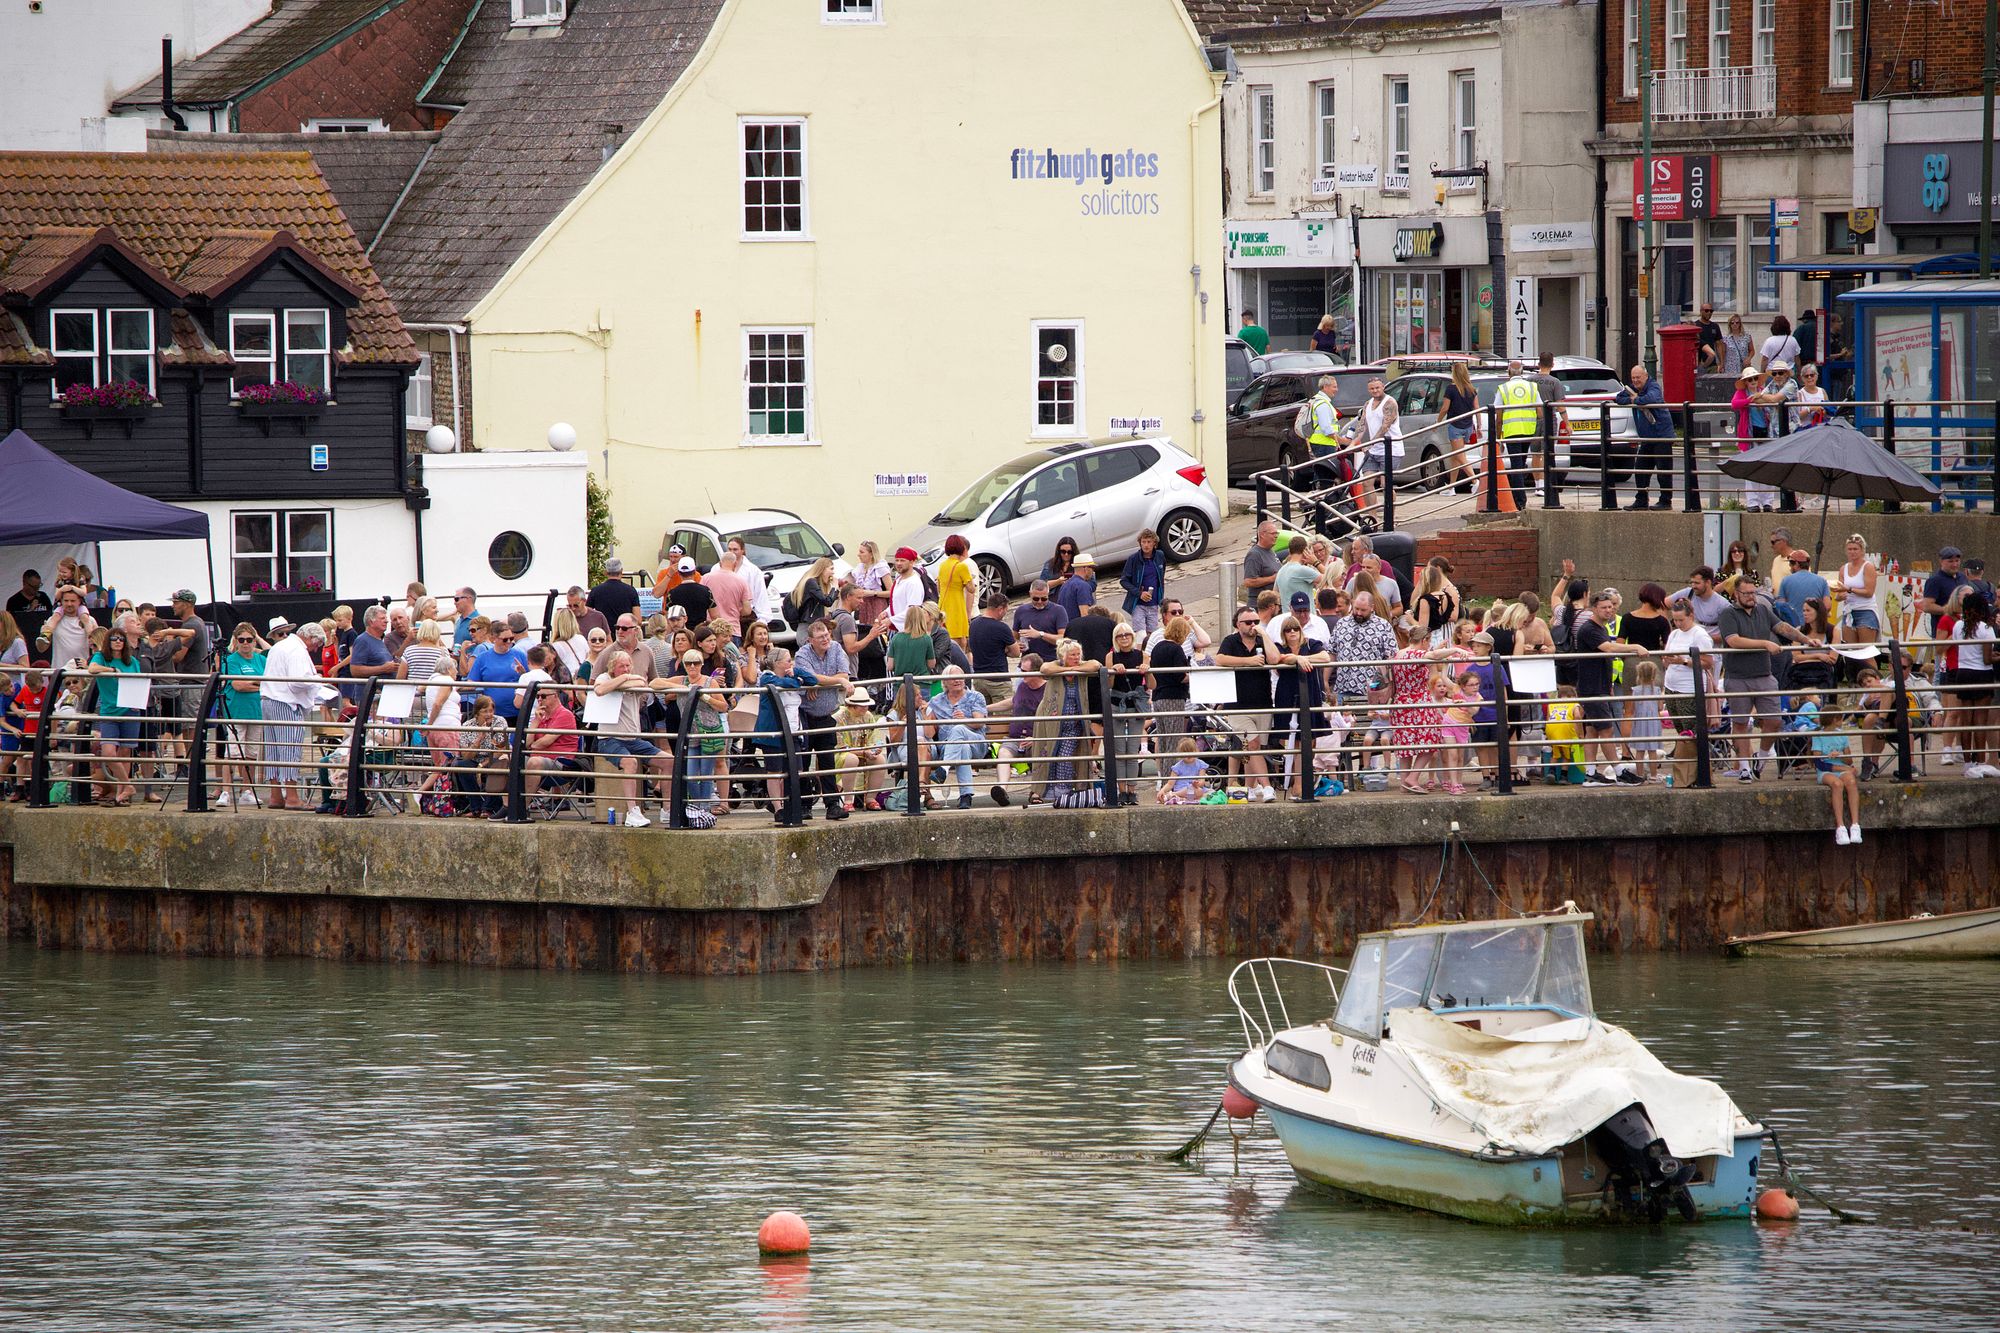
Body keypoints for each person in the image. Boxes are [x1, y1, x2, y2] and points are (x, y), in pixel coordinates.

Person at [1717, 573, 1807, 780]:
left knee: (1774, 720)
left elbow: (1782, 627)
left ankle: (1763, 755)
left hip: (1764, 674)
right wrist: (1765, 643)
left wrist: (1804, 639)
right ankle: (1745, 768)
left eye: (1753, 592)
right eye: (1746, 593)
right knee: (1740, 723)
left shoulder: (1763, 611)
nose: (1751, 597)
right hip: (1738, 676)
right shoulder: (1728, 614)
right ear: (1736, 594)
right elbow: (1734, 641)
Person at [591, 649, 674, 827]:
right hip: (609, 738)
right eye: (622, 666)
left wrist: (627, 679)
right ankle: (632, 811)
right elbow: (600, 690)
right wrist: (625, 679)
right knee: (630, 763)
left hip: (633, 738)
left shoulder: (633, 678)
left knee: (669, 761)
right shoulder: (604, 677)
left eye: (629, 665)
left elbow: (643, 682)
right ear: (613, 667)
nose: (626, 669)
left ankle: (667, 809)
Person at [259, 619, 326, 811]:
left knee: (273, 750)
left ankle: (275, 795)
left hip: (268, 699)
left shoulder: (279, 647)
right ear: (310, 638)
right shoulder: (297, 650)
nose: (315, 649)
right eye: (317, 644)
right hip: (286, 702)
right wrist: (316, 680)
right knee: (289, 749)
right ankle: (292, 797)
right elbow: (297, 682)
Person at [1215, 604, 1279, 801]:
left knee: (1256, 748)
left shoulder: (1262, 640)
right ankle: (1267, 787)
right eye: (1248, 622)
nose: (1253, 625)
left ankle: (1250, 789)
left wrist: (1265, 634)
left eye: (1256, 621)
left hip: (1263, 702)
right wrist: (1248, 662)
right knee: (1252, 744)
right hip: (1238, 705)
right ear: (1238, 624)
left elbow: (1275, 659)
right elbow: (1220, 659)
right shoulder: (1231, 641)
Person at [793, 617, 854, 820]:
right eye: (820, 637)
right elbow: (810, 677)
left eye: (827, 635)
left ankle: (832, 805)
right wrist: (832, 681)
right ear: (810, 640)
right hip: (806, 715)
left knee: (827, 760)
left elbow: (844, 674)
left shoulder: (836, 648)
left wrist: (819, 683)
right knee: (803, 761)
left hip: (827, 714)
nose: (825, 640)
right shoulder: (803, 654)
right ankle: (804, 805)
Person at [1030, 639, 1101, 805]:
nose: (1076, 657)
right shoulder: (1054, 665)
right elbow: (1045, 669)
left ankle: (1064, 792)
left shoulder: (1083, 665)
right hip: (1051, 721)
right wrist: (1066, 670)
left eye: (1078, 654)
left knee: (1065, 755)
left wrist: (1075, 668)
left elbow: (1096, 665)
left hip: (1074, 722)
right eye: (1072, 655)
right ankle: (1046, 792)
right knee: (1048, 752)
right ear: (1063, 656)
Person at [85, 627, 142, 805]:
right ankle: (127, 785)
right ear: (108, 641)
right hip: (109, 710)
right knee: (109, 752)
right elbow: (92, 669)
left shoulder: (132, 661)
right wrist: (111, 671)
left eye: (121, 639)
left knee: (125, 752)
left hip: (130, 709)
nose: (118, 641)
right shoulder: (101, 657)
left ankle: (121, 793)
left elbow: (139, 680)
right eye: (114, 638)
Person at [924, 666, 991, 809]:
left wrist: (964, 720)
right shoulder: (936, 701)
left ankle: (944, 767)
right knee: (962, 747)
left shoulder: (975, 696)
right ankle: (966, 797)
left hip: (976, 743)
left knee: (959, 728)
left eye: (960, 677)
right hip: (950, 747)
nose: (958, 681)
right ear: (945, 682)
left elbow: (979, 722)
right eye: (953, 678)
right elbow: (927, 725)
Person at [1947, 591, 1997, 778]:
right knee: (1980, 721)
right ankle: (1980, 761)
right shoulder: (1986, 628)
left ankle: (1967, 762)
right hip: (1982, 675)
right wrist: (1997, 657)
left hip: (1963, 673)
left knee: (1966, 720)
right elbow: (1986, 659)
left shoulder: (1958, 626)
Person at [1615, 364, 1674, 511]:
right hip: (1647, 437)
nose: (1635, 381)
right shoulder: (1633, 389)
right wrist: (1634, 399)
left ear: (1646, 377)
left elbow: (1651, 398)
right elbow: (1619, 398)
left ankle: (1665, 501)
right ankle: (1641, 500)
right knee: (1640, 469)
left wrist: (1636, 399)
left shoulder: (1653, 386)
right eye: (1633, 378)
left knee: (1663, 470)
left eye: (1638, 378)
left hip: (1662, 436)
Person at [1494, 359, 1542, 510]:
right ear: (1522, 372)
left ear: (1509, 372)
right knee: (1521, 463)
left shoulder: (1503, 388)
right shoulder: (1532, 387)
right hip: (1528, 430)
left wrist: (1498, 437)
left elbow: (1498, 414)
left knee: (1516, 466)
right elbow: (1540, 412)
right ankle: (1519, 498)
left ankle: (1519, 501)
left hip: (1511, 431)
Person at [1353, 377, 1404, 515]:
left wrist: (1371, 443)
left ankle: (1390, 517)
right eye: (1372, 388)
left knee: (1385, 484)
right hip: (1373, 450)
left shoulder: (1390, 402)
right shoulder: (1367, 404)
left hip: (1391, 449)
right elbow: (1361, 426)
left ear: (1383, 387)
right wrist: (1352, 444)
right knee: (1366, 483)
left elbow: (1385, 427)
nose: (1375, 391)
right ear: (1368, 389)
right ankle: (1373, 517)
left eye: (1377, 388)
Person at [465, 614, 528, 721]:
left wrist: (523, 674)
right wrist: (453, 687)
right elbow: (471, 683)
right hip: (492, 714)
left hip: (517, 712)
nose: (509, 642)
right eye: (505, 639)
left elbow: (530, 679)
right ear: (494, 638)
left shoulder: (520, 655)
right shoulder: (482, 658)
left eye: (511, 639)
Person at [834, 686, 887, 812]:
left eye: (866, 705)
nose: (865, 708)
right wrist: (863, 751)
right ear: (851, 705)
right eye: (861, 705)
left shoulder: (868, 716)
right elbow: (840, 746)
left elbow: (876, 737)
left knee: (880, 760)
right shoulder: (839, 718)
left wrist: (875, 748)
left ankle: (871, 798)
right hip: (841, 753)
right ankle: (848, 800)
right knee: (852, 759)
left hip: (865, 751)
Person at [968, 592, 1020, 703]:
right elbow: (1016, 653)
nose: (1005, 613)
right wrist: (1005, 650)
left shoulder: (973, 625)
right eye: (1006, 610)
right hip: (998, 680)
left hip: (979, 678)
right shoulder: (1001, 628)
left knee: (984, 714)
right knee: (1003, 717)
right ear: (1000, 608)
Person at [1119, 529, 1169, 637]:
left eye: (1149, 542)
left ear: (1154, 543)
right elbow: (1124, 580)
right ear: (1140, 543)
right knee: (1140, 634)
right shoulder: (1133, 559)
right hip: (1138, 603)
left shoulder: (1160, 556)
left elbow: (1161, 574)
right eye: (1143, 542)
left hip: (1154, 602)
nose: (1146, 545)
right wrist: (1139, 593)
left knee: (1153, 634)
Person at [1837, 534, 1882, 645]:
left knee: (1866, 651)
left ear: (1862, 551)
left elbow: (1869, 592)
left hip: (1865, 610)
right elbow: (1840, 593)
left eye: (1855, 549)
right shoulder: (1843, 568)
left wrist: (1850, 589)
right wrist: (1839, 596)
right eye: (1850, 549)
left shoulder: (1868, 567)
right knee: (1850, 651)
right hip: (1849, 610)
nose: (1852, 552)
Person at [1442, 363, 1479, 493]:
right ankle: (1451, 487)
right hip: (1468, 425)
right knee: (1455, 457)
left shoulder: (1451, 389)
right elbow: (1477, 409)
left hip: (1455, 425)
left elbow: (1445, 408)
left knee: (1459, 456)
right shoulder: (1472, 389)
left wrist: (1438, 421)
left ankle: (1475, 481)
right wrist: (1479, 426)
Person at [936, 535, 976, 647]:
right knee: (959, 643)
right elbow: (971, 589)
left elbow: (938, 587)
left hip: (943, 606)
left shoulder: (942, 565)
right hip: (956, 606)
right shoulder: (961, 567)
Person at [1303, 372, 1341, 485]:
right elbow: (1326, 428)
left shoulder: (1317, 401)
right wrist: (1338, 440)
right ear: (1325, 387)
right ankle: (1324, 499)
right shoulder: (1322, 404)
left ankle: (1319, 498)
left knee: (1320, 473)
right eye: (1334, 387)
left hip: (1320, 443)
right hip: (1324, 444)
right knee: (1325, 475)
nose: (1337, 389)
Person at [587, 559, 642, 629]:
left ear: (605, 572)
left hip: (603, 635)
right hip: (625, 632)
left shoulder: (595, 591)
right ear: (621, 571)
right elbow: (638, 620)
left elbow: (587, 615)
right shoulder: (631, 591)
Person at [8, 569, 53, 654]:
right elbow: (11, 625)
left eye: (38, 586)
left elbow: (51, 615)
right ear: (24, 583)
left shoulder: (43, 597)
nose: (36, 589)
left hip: (42, 639)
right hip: (24, 640)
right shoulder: (14, 601)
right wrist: (30, 610)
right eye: (34, 587)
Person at [666, 558, 716, 627]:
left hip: (681, 633)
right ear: (695, 572)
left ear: (679, 573)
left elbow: (668, 616)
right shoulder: (706, 591)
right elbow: (714, 616)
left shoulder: (672, 593)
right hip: (700, 633)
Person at [1160, 737, 1209, 804]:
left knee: (1204, 792)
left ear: (1196, 750)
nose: (1188, 755)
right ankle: (1175, 794)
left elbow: (1202, 782)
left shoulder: (1201, 764)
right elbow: (1170, 783)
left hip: (1196, 789)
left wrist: (1196, 784)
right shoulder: (1177, 767)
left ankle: (1176, 796)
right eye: (1185, 752)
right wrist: (1162, 790)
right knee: (1193, 790)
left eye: (1191, 751)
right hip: (1182, 789)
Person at [1241, 520, 1282, 596]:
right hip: (1260, 604)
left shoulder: (1271, 551)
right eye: (1273, 533)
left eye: (1277, 533)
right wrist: (1272, 578)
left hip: (1273, 601)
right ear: (1262, 534)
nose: (1276, 536)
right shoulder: (1254, 554)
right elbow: (1248, 582)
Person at [889, 547, 927, 623]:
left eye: (902, 560)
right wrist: (886, 612)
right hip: (896, 627)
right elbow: (897, 604)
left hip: (908, 630)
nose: (899, 563)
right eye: (897, 560)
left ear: (911, 562)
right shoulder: (899, 579)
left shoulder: (913, 583)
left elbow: (912, 611)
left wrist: (890, 620)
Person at [1056, 553, 1099, 620]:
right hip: (1078, 628)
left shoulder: (1064, 585)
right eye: (1092, 567)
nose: (1093, 571)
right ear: (1085, 568)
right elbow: (1085, 614)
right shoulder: (1083, 586)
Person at [1694, 305, 1723, 369]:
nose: (1709, 313)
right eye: (1706, 311)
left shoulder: (1715, 326)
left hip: (1712, 364)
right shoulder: (1696, 326)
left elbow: (1719, 345)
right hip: (1699, 363)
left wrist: (1721, 363)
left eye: (1711, 311)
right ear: (1701, 311)